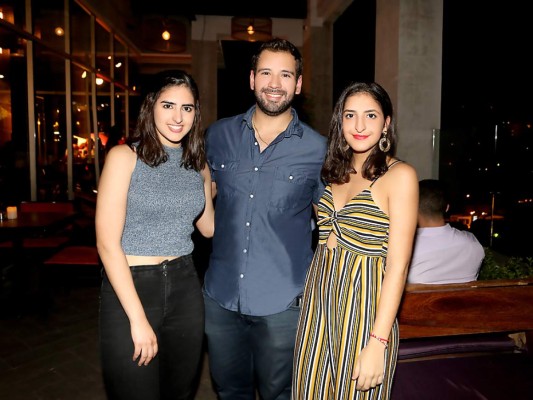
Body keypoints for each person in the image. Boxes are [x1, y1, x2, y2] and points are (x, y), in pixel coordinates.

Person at [203, 38, 327, 400]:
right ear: (252, 79)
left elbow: (333, 224)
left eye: (286, 74)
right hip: (221, 298)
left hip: (283, 303)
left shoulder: (318, 149)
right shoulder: (217, 135)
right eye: (267, 73)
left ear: (299, 84)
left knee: (281, 394)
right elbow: (197, 197)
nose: (275, 83)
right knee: (229, 392)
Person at [292, 82, 419, 399]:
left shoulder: (399, 176)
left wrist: (378, 341)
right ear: (339, 121)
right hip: (318, 301)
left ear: (386, 123)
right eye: (350, 115)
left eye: (371, 115)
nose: (359, 125)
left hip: (364, 308)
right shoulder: (334, 171)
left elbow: (398, 267)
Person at [95, 70, 214, 400]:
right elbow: (107, 243)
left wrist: (219, 189)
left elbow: (208, 227)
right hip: (132, 286)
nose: (178, 117)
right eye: (168, 105)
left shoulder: (198, 163)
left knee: (179, 392)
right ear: (151, 107)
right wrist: (137, 318)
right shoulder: (123, 158)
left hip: (185, 285)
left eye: (187, 108)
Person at [407, 179, 485, 284]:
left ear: (412, 208)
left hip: (420, 300)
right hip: (465, 300)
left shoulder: (406, 249)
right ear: (447, 208)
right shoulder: (472, 243)